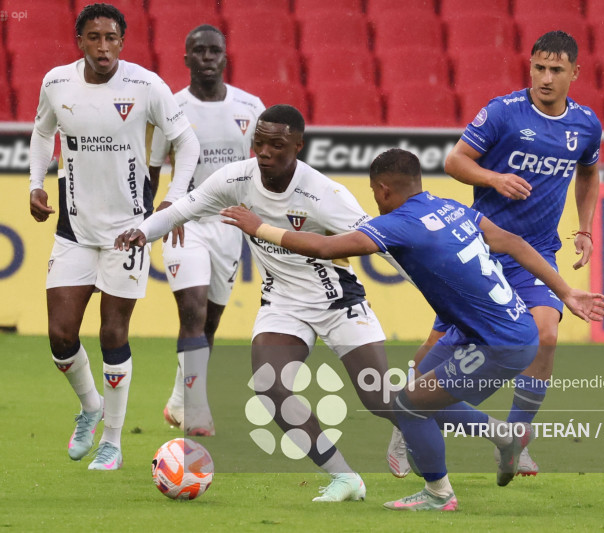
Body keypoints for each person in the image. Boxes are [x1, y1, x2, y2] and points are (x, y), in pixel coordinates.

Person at [213, 148, 604, 511]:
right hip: (494, 326)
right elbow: (513, 243)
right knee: (417, 386)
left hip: (498, 343)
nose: (373, 201)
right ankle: (502, 436)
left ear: (384, 190)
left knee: (409, 405)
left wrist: (259, 227)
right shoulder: (450, 207)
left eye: (373, 192)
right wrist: (567, 292)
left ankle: (439, 493)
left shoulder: (399, 225)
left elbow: (324, 248)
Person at [116, 104, 403, 502]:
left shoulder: (324, 194)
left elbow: (382, 242)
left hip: (337, 301)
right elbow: (185, 207)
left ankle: (478, 431)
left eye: (276, 144)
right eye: (259, 142)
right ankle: (345, 478)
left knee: (379, 400)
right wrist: (142, 232)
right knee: (270, 387)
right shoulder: (237, 178)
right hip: (283, 301)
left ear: (299, 146)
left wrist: (444, 289)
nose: (264, 152)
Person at [394, 30, 601, 478]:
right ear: (530, 66)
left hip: (537, 251)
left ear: (574, 73)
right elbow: (454, 162)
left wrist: (583, 227)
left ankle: (515, 441)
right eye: (539, 68)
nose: (545, 78)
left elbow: (588, 173)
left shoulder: (586, 124)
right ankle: (406, 416)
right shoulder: (503, 112)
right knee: (438, 344)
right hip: (483, 249)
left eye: (556, 70)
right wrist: (493, 179)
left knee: (546, 336)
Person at [28, 3, 199, 470]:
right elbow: (43, 133)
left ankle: (114, 442)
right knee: (61, 335)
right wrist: (36, 184)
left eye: (111, 38)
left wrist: (174, 200)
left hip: (130, 231)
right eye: (93, 37)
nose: (103, 47)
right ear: (79, 40)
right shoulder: (57, 82)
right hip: (74, 226)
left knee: (112, 331)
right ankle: (90, 407)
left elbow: (188, 142)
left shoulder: (146, 85)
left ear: (122, 41)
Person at [148, 24, 265, 436]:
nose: (208, 58)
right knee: (192, 311)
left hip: (229, 225)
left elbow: (264, 168)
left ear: (225, 57)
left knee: (210, 322)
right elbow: (151, 170)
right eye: (199, 51)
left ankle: (180, 399)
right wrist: (151, 221)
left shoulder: (251, 108)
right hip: (186, 222)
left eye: (215, 51)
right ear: (186, 59)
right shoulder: (171, 109)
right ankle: (197, 408)